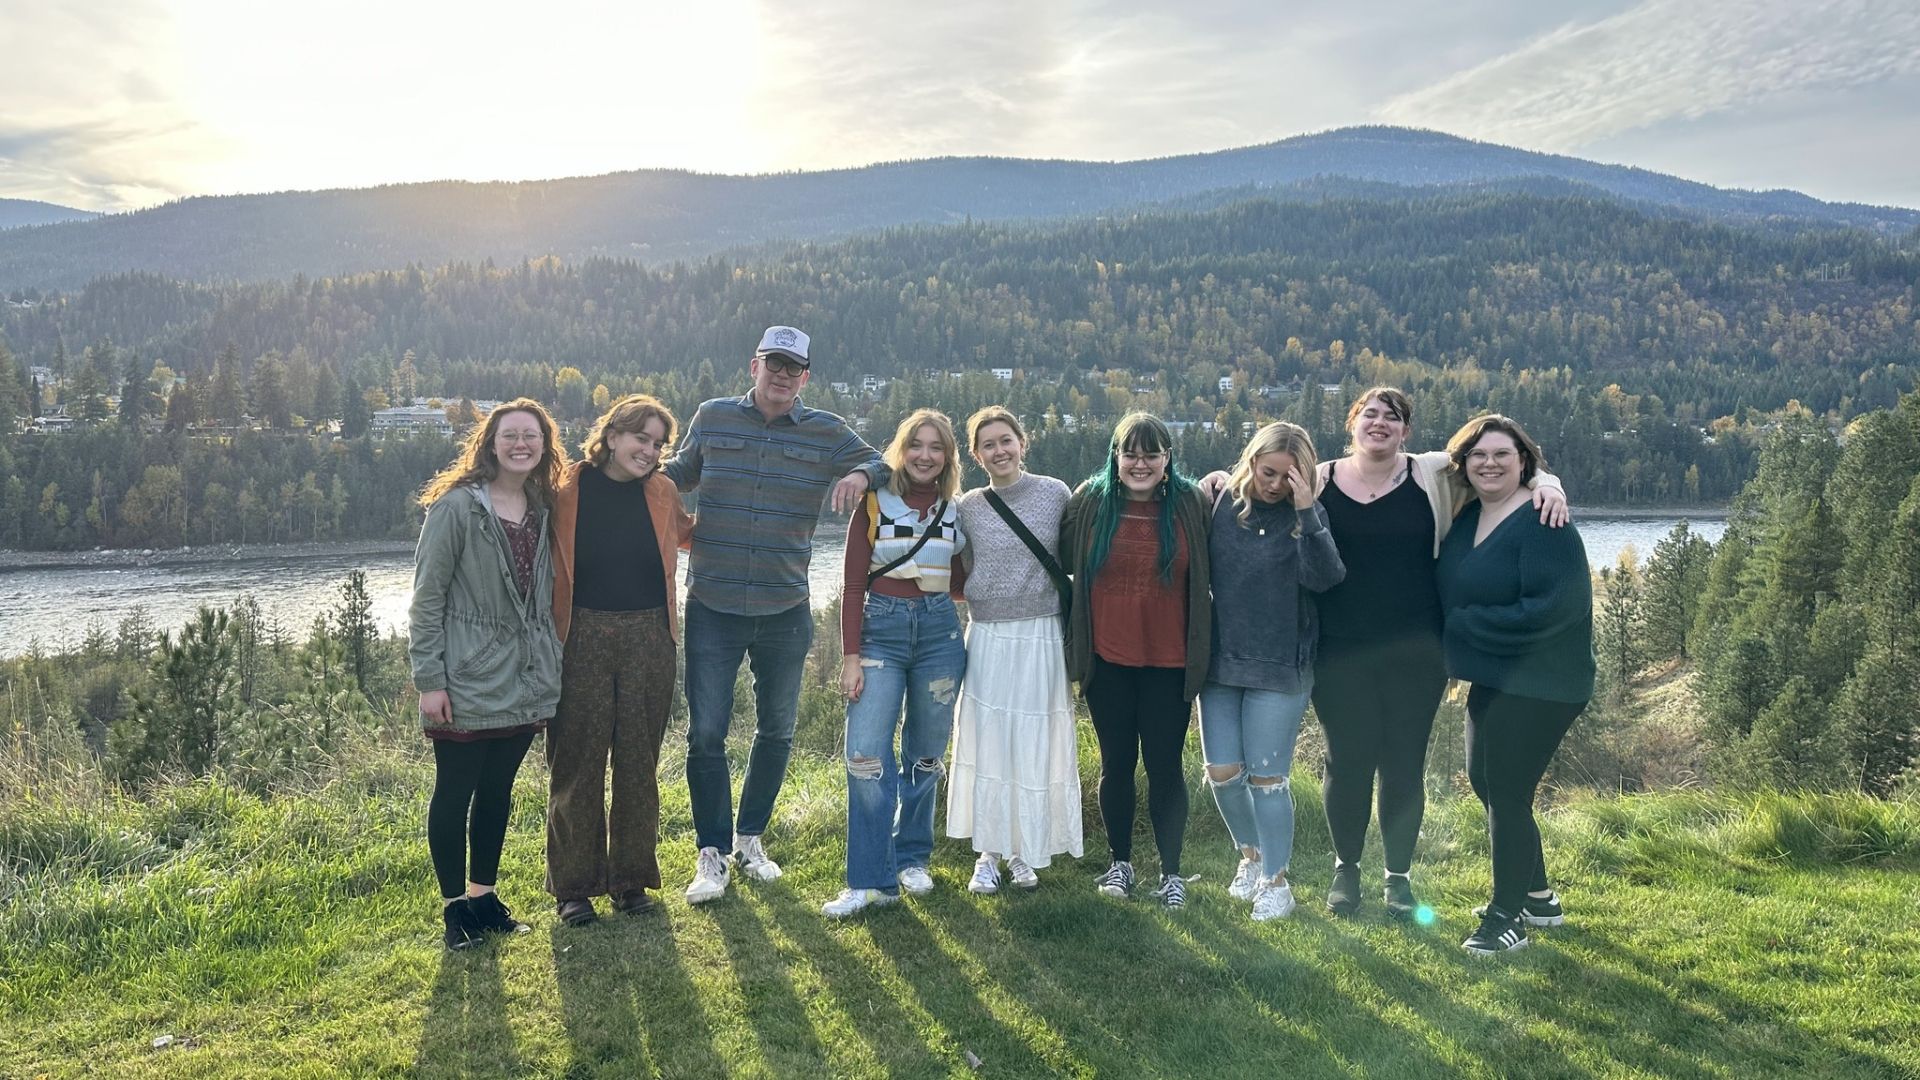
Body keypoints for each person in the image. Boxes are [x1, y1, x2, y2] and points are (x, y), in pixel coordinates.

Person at [1198, 388, 1568, 918]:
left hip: (1417, 649)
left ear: (1405, 431)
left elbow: (1502, 464)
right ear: (1352, 423)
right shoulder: (1318, 477)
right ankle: (1345, 871)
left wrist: (1548, 483)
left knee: (1403, 764)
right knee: (1345, 762)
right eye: (1369, 414)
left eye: (1392, 418)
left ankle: (1398, 878)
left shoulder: (1433, 475)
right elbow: (1258, 477)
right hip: (1338, 648)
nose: (1379, 424)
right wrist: (1215, 479)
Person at [664, 324, 889, 904]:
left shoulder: (826, 431)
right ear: (754, 365)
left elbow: (882, 463)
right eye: (774, 364)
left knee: (777, 730)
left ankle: (749, 838)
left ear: (806, 377)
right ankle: (710, 853)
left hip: (785, 607)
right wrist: (617, 473)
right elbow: (676, 475)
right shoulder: (712, 417)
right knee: (707, 732)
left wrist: (860, 474)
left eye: (794, 368)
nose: (782, 375)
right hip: (712, 603)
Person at [408, 398, 566, 950]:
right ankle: (454, 911)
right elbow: (426, 600)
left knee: (497, 791)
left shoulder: (545, 506)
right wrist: (430, 680)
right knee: (454, 791)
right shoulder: (455, 508)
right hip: (467, 675)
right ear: (490, 443)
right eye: (510, 435)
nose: (521, 444)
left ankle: (483, 897)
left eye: (532, 436)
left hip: (525, 676)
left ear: (545, 446)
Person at [1436, 414, 1592, 955]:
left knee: (1505, 789)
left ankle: (1507, 918)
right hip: (1494, 675)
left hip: (1547, 681)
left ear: (1524, 460)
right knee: (1486, 781)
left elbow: (1555, 610)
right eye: (1478, 455)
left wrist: (1463, 627)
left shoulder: (1545, 519)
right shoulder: (1469, 516)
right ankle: (1539, 898)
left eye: (1502, 453)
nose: (1490, 463)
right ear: (1465, 465)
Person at [546, 394, 693, 926]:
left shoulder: (663, 491)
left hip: (651, 635)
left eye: (658, 444)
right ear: (611, 436)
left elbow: (688, 535)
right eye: (641, 439)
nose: (650, 451)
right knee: (576, 761)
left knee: (638, 763)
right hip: (580, 632)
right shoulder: (565, 487)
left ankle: (631, 881)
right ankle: (574, 887)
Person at [1060, 412, 1212, 910]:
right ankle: (1120, 864)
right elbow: (1059, 557)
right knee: (1117, 763)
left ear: (1168, 459)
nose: (1140, 463)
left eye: (1151, 453)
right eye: (1131, 453)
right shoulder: (1090, 503)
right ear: (1116, 457)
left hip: (1170, 662)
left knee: (1166, 767)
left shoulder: (1191, 504)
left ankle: (1171, 874)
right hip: (1108, 660)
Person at [823, 409, 970, 916]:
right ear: (900, 450)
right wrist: (850, 657)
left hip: (939, 633)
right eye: (916, 445)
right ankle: (868, 879)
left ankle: (912, 859)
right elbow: (852, 585)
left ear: (948, 457)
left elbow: (963, 579)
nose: (925, 456)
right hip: (879, 631)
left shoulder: (958, 509)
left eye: (937, 448)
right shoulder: (874, 501)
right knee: (865, 755)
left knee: (927, 753)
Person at [1199, 422, 1344, 921]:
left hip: (1282, 664)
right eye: (1269, 471)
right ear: (1251, 462)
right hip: (1221, 661)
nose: (1276, 483)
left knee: (1267, 779)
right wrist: (1205, 483)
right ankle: (1252, 858)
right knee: (1222, 773)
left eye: (1289, 476)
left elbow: (1326, 578)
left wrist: (1306, 511)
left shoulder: (1309, 516)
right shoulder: (1220, 504)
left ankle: (1277, 883)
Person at [946, 406, 1083, 895]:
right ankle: (987, 853)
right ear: (976, 454)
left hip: (1042, 632)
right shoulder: (968, 506)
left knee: (1033, 740)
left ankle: (1023, 850)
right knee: (988, 741)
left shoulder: (1055, 493)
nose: (999, 450)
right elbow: (956, 569)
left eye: (1006, 440)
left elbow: (1077, 551)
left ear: (1023, 443)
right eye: (988, 444)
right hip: (987, 634)